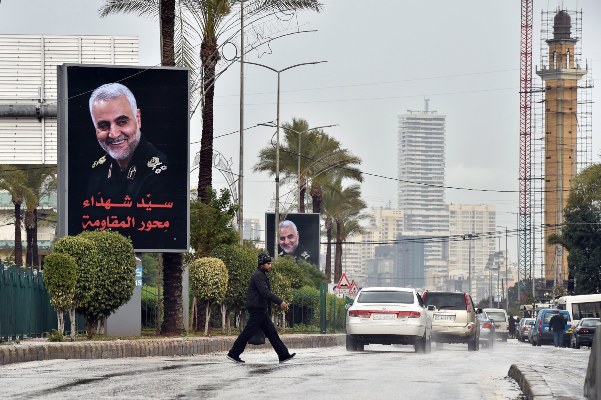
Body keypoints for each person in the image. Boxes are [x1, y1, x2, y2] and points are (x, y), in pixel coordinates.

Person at [87, 82, 170, 202]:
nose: (113, 134)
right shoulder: (98, 171)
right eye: (103, 125)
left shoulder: (162, 175)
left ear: (138, 119)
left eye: (122, 122)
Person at [227, 253, 296, 364]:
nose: (270, 266)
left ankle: (283, 355)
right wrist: (280, 302)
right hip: (257, 309)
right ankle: (233, 353)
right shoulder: (258, 276)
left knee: (272, 333)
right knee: (248, 332)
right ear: (261, 264)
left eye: (270, 263)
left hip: (260, 309)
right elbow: (265, 293)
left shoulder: (261, 275)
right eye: (268, 264)